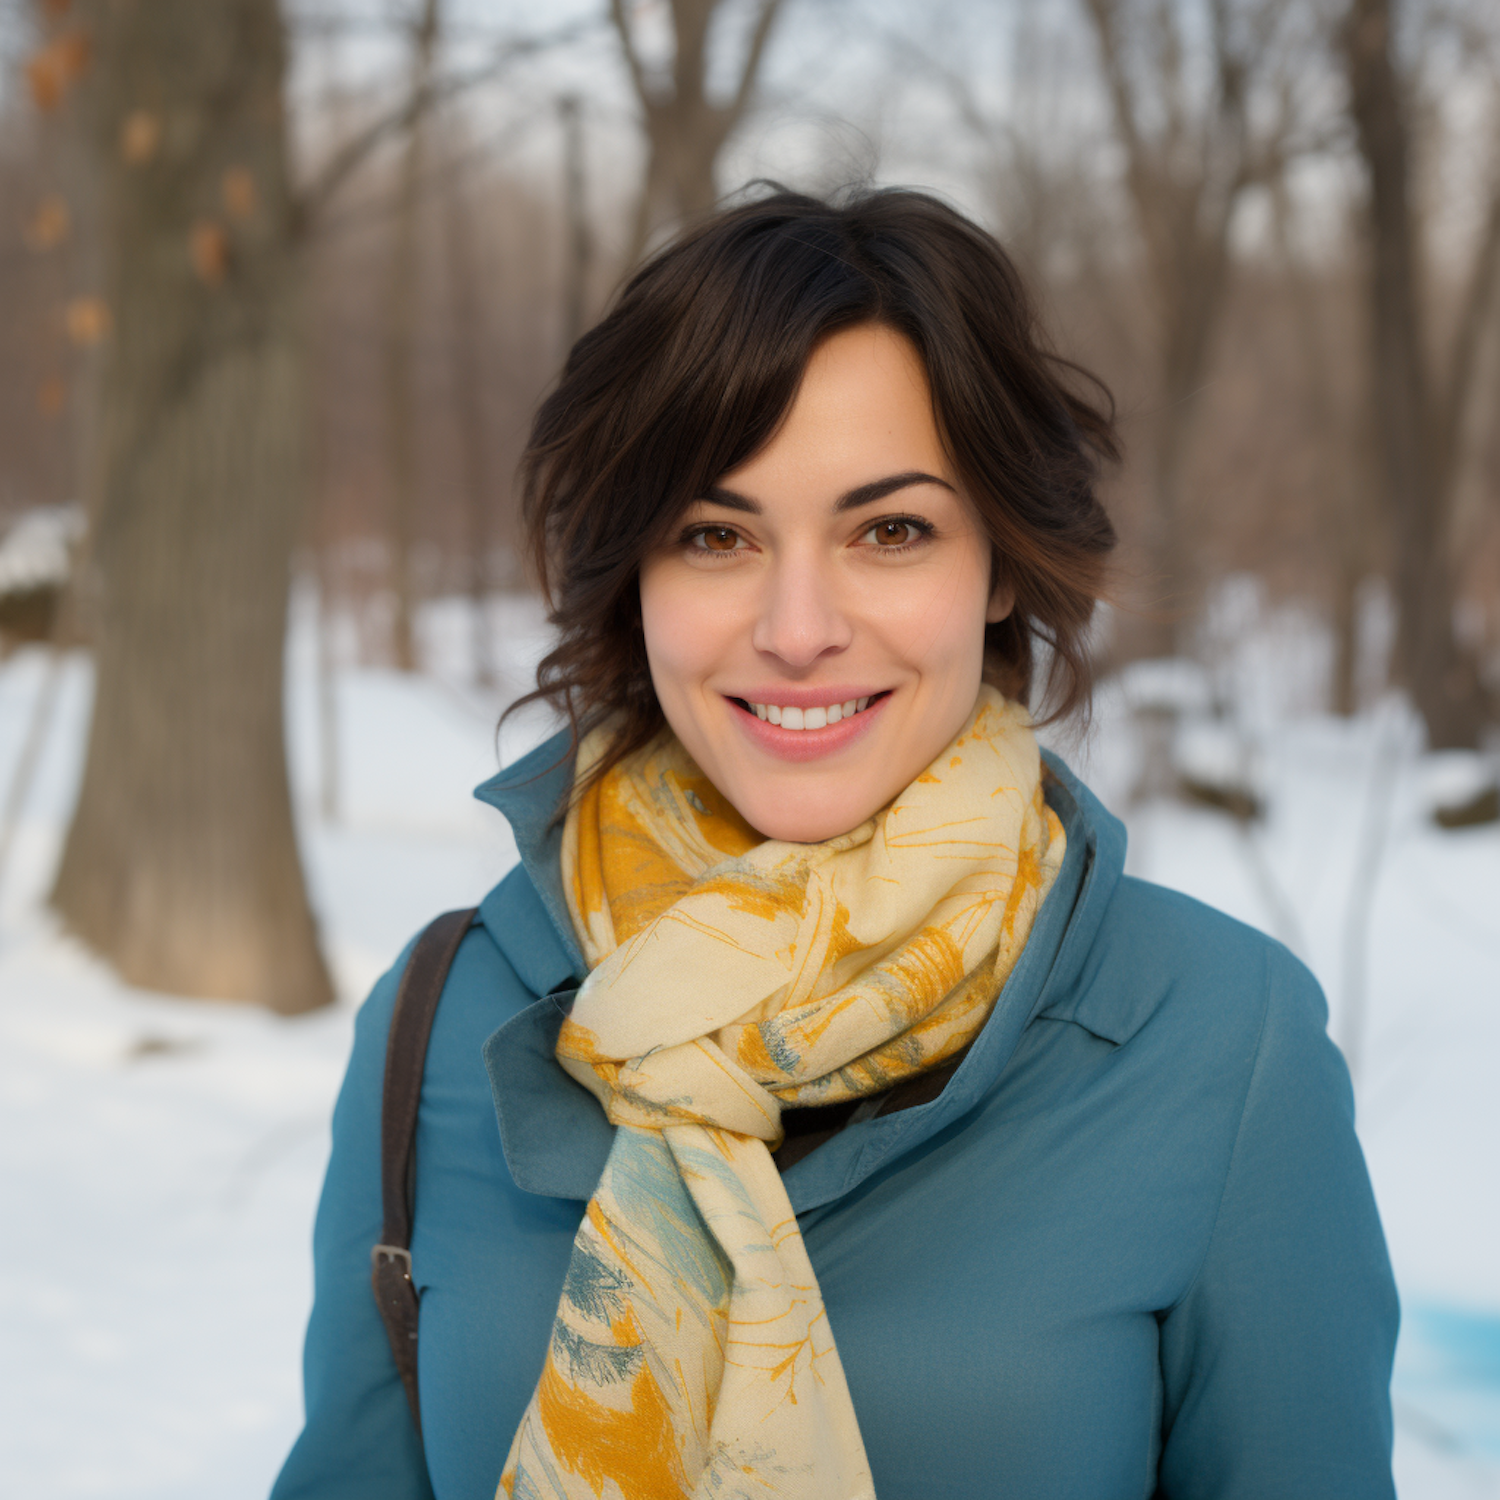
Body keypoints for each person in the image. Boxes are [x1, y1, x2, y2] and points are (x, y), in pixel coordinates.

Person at [272, 189, 1398, 1500]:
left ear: (1003, 567)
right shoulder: (439, 1018)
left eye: (891, 531)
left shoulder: (1218, 1042)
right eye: (715, 535)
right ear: (635, 576)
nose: (797, 626)